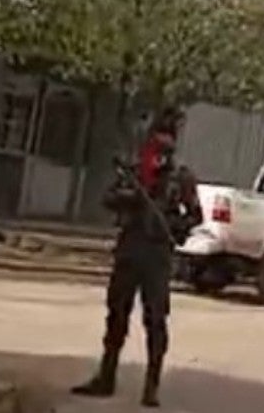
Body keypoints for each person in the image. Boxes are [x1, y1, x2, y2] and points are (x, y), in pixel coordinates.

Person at [72, 107, 202, 408]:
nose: (161, 144)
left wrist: (175, 227)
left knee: (155, 319)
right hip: (130, 248)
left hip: (157, 254)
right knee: (117, 314)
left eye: (167, 138)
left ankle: (151, 386)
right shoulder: (133, 173)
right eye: (158, 137)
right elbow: (107, 199)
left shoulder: (181, 177)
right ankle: (106, 377)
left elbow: (196, 215)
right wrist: (128, 198)